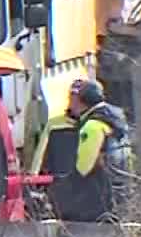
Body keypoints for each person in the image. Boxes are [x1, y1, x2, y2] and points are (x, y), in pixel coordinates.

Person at [55, 79, 131, 222]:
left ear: (82, 101)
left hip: (96, 204)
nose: (70, 105)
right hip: (119, 196)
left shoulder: (92, 127)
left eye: (72, 99)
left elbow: (83, 168)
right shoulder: (116, 123)